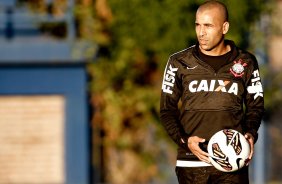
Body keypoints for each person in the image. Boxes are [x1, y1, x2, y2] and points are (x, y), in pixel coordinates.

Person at [160, 0, 265, 183]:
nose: (201, 32)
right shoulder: (179, 63)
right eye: (198, 25)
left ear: (224, 27)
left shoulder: (246, 62)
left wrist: (250, 133)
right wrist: (184, 140)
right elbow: (167, 110)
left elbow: (256, 106)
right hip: (191, 164)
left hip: (232, 163)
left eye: (208, 26)